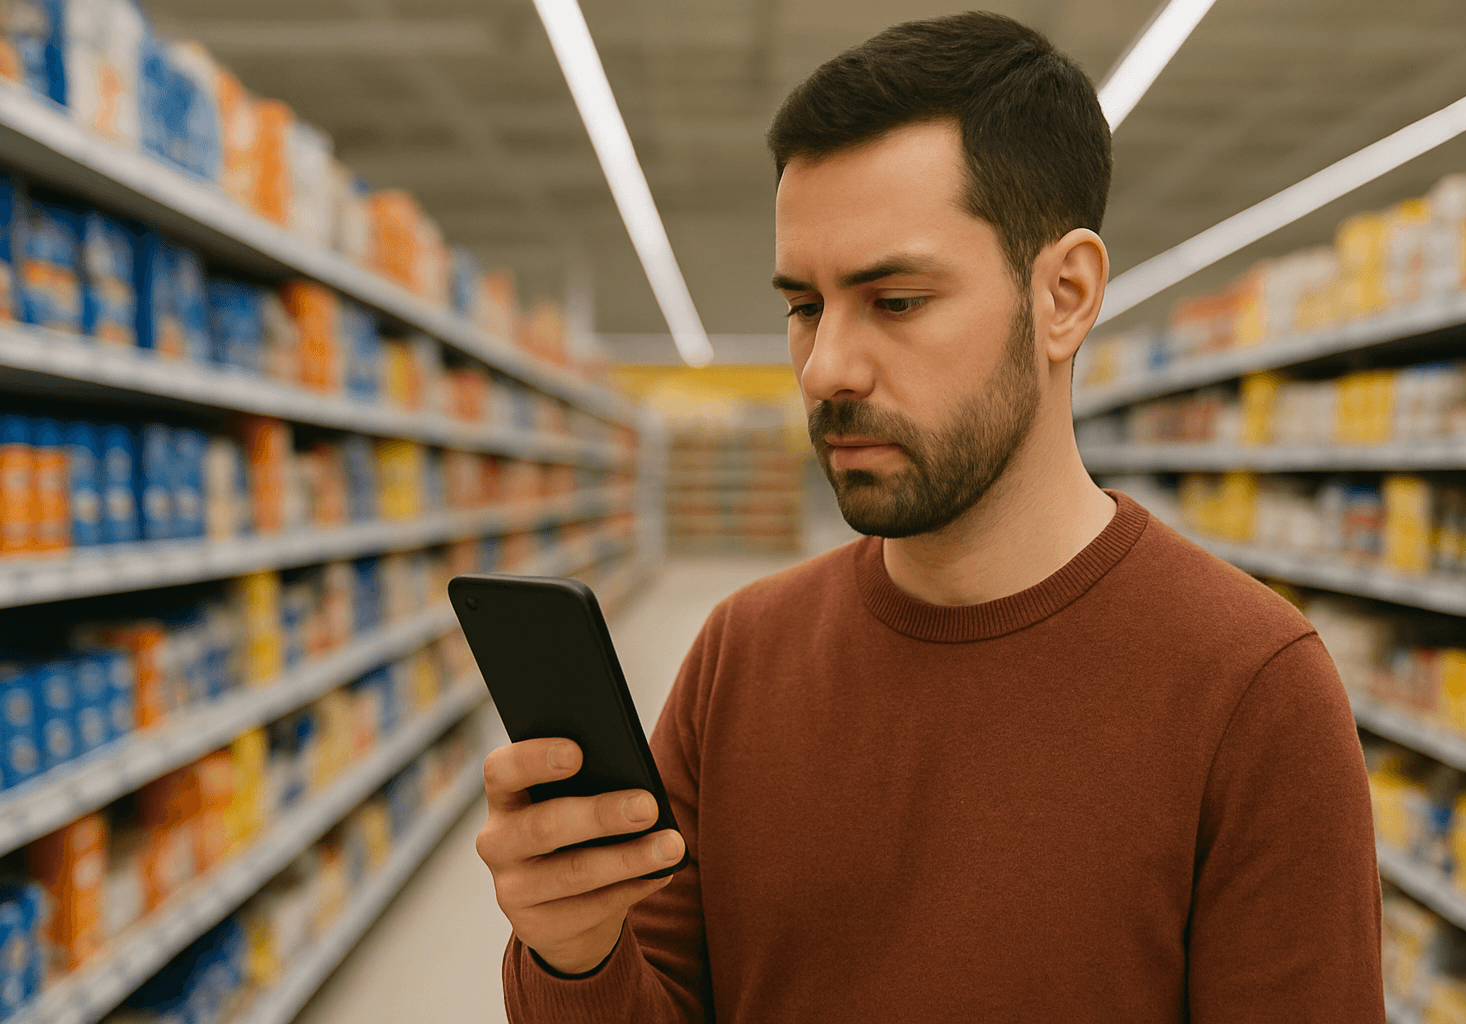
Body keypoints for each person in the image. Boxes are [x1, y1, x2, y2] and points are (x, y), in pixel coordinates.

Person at [476, 12, 1384, 1023]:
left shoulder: (1253, 690)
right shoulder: (741, 656)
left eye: (896, 299)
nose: (826, 369)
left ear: (1065, 296)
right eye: (803, 306)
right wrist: (572, 953)